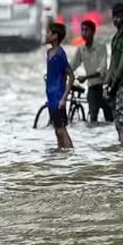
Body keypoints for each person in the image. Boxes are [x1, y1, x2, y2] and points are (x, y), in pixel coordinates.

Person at [71, 19, 113, 124]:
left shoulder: (101, 47)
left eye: (86, 30)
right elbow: (72, 65)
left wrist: (85, 77)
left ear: (93, 32)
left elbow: (102, 70)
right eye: (82, 30)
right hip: (92, 88)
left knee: (110, 119)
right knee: (93, 118)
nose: (84, 33)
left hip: (104, 87)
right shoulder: (81, 49)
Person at [105, 2, 123, 145]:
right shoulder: (115, 39)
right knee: (117, 121)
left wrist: (113, 85)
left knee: (122, 121)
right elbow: (112, 64)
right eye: (114, 17)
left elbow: (122, 65)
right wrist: (107, 84)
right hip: (115, 84)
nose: (116, 20)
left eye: (119, 16)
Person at [45, 22, 74, 150]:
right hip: (51, 97)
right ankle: (61, 156)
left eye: (49, 33)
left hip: (58, 97)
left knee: (62, 129)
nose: (46, 35)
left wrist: (64, 98)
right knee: (57, 130)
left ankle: (70, 153)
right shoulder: (49, 53)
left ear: (55, 36)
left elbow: (71, 75)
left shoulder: (60, 54)